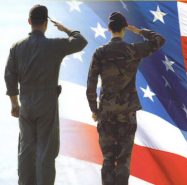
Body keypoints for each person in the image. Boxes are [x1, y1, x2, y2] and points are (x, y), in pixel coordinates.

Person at [4, 4, 87, 185]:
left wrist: (14, 103)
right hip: (47, 105)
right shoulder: (54, 46)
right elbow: (81, 41)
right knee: (46, 152)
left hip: (26, 105)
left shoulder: (16, 47)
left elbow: (9, 76)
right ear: (46, 24)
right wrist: (65, 28)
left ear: (29, 22)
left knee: (26, 150)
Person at [86, 12, 165, 185]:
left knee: (108, 159)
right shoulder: (133, 50)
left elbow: (91, 86)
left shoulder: (99, 53)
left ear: (108, 29)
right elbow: (159, 40)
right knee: (123, 159)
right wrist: (139, 31)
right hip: (127, 113)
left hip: (106, 113)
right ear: (123, 29)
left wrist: (94, 110)